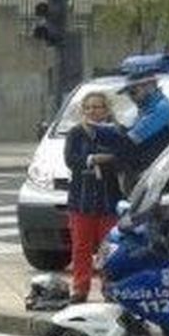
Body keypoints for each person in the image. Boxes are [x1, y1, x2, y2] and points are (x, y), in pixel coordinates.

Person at [63, 90, 124, 303]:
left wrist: (110, 160)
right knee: (81, 247)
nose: (92, 111)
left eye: (97, 107)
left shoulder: (116, 131)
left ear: (106, 109)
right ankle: (80, 289)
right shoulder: (76, 133)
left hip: (109, 200)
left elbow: (124, 158)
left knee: (109, 249)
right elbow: (71, 160)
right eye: (88, 107)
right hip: (81, 200)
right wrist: (92, 159)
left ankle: (110, 289)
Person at [107, 71, 169, 193]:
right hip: (148, 172)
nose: (131, 98)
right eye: (128, 94)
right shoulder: (147, 108)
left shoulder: (160, 109)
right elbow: (130, 134)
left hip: (153, 174)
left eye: (133, 92)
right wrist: (115, 124)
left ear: (150, 87)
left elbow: (130, 141)